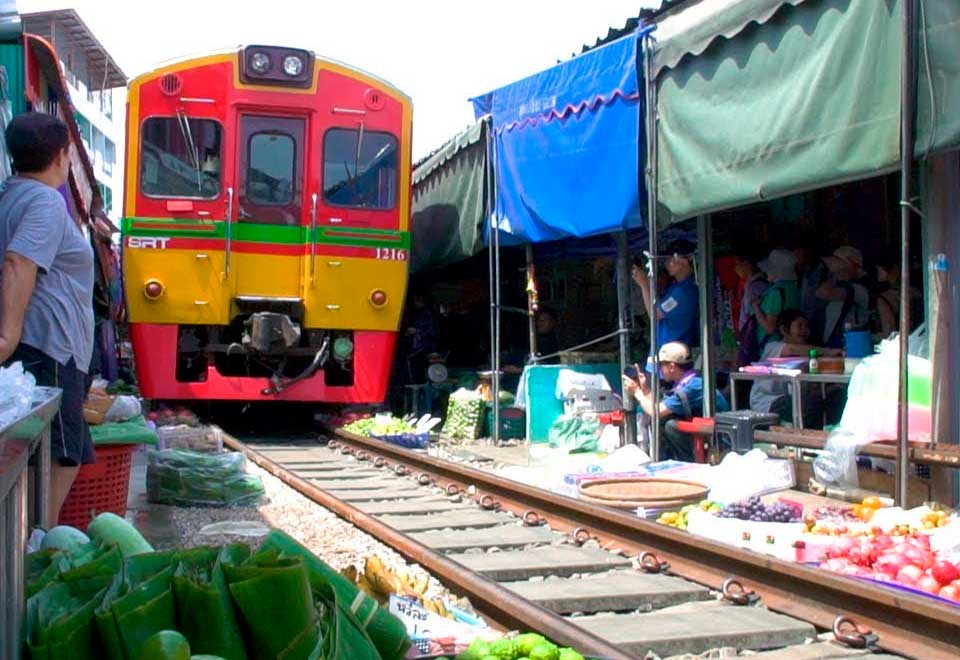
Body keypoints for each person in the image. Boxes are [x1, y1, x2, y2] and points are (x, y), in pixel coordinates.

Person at [0, 112, 96, 524]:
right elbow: (19, 261)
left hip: (50, 349)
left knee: (71, 450)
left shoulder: (11, 193)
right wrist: (7, 336)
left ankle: (34, 541)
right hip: (47, 348)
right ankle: (34, 546)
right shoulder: (44, 201)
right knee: (57, 458)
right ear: (62, 155)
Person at [622, 342, 729, 462]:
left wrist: (637, 392)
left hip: (719, 443)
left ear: (672, 367)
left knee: (670, 425)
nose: (659, 370)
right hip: (706, 434)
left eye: (661, 365)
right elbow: (659, 407)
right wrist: (644, 389)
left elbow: (656, 412)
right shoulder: (687, 382)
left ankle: (688, 462)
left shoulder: (694, 386)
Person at [749, 310, 841, 427]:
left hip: (795, 397)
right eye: (799, 326)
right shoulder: (773, 347)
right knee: (806, 405)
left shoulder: (807, 354)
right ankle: (807, 441)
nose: (804, 330)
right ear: (784, 330)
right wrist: (829, 352)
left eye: (806, 326)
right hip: (768, 401)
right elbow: (790, 350)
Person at [631, 239, 699, 372]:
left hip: (670, 361)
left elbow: (654, 314)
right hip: (664, 356)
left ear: (683, 260)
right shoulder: (676, 286)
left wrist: (643, 283)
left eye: (669, 259)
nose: (666, 263)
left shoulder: (683, 292)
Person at [815, 246, 870, 348]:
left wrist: (833, 273)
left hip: (851, 344)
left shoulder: (860, 289)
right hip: (840, 342)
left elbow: (823, 292)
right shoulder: (844, 284)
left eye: (839, 263)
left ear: (852, 264)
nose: (835, 267)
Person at [754, 248, 800, 346]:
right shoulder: (793, 288)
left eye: (770, 269)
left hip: (772, 345)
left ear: (778, 270)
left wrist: (756, 307)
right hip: (787, 343)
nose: (766, 272)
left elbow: (770, 328)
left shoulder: (776, 292)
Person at [733, 253, 769, 365]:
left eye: (737, 264)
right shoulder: (750, 285)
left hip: (755, 342)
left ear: (747, 264)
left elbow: (752, 319)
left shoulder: (756, 287)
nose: (735, 268)